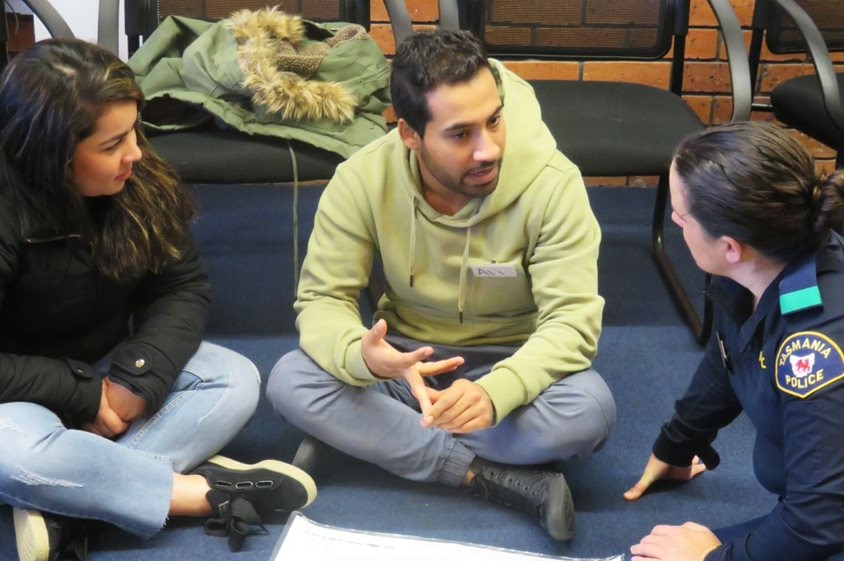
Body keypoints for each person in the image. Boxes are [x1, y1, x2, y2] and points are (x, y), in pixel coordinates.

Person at [267, 29, 616, 541]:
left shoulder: (552, 183)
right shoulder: (361, 178)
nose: (488, 149)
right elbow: (323, 300)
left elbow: (572, 323)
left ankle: (370, 438)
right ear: (410, 134)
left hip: (510, 364)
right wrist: (364, 358)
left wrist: (498, 392)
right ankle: (488, 478)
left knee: (589, 413)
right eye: (460, 135)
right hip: (405, 363)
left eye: (494, 121)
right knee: (290, 379)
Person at [0, 39, 316, 561]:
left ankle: (71, 500)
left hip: (107, 374)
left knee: (234, 378)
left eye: (135, 132)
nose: (136, 154)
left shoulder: (137, 178)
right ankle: (196, 493)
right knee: (9, 454)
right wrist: (81, 394)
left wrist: (133, 380)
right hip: (16, 397)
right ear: (49, 154)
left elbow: (181, 288)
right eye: (111, 145)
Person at [624, 121, 844, 561]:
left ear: (730, 246)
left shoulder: (815, 345)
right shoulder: (763, 269)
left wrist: (712, 558)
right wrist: (679, 443)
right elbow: (733, 353)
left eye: (680, 216)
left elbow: (820, 521)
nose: (674, 221)